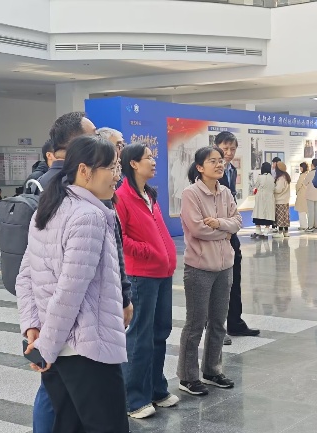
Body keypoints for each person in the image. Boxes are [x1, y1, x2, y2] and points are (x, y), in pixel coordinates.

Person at [16, 135, 129, 433]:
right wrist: (46, 348)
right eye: (112, 168)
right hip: (87, 350)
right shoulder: (88, 216)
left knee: (68, 426)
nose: (116, 176)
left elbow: (25, 276)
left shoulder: (48, 207)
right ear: (84, 170)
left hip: (57, 346)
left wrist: (33, 329)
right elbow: (69, 293)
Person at [115, 144, 178, 419]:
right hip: (141, 275)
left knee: (160, 332)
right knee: (140, 336)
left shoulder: (149, 194)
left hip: (163, 273)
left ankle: (156, 388)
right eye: (148, 158)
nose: (153, 161)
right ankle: (133, 398)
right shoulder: (122, 197)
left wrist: (166, 255)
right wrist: (148, 251)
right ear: (133, 163)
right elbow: (119, 238)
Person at [177, 146, 242, 396]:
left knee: (218, 322)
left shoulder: (225, 192)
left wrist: (220, 224)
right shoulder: (191, 194)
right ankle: (188, 377)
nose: (219, 164)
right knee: (195, 324)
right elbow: (197, 229)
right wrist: (224, 232)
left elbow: (237, 222)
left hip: (225, 266)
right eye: (212, 161)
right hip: (199, 267)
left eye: (220, 160)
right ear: (200, 167)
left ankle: (212, 371)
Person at [216, 132, 260, 342]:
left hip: (231, 232)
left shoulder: (231, 170)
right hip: (216, 233)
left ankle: (235, 322)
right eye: (225, 148)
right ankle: (216, 328)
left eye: (232, 149)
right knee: (217, 284)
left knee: (234, 278)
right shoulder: (208, 171)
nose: (229, 153)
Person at [34, 112, 97, 192]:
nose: (100, 142)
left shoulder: (38, 182)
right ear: (78, 142)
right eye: (95, 136)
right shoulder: (82, 183)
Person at [252, 162, 275, 237]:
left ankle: (258, 230)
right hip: (270, 197)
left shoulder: (260, 177)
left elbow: (256, 186)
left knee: (258, 213)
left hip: (261, 197)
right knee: (268, 214)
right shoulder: (272, 178)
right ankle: (266, 231)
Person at [273, 161, 291, 238]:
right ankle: (286, 231)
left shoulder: (281, 178)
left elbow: (278, 189)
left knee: (280, 216)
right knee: (285, 216)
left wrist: (272, 188)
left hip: (279, 200)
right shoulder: (286, 177)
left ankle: (280, 232)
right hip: (286, 200)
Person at [303, 159, 317, 233]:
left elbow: (305, 183)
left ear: (313, 165)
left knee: (311, 212)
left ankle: (310, 227)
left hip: (310, 195)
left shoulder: (310, 173)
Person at [295, 162, 309, 230]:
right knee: (307, 211)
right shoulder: (308, 174)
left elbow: (298, 185)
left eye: (300, 167)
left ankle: (303, 225)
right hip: (308, 194)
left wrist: (296, 191)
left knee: (301, 211)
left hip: (301, 194)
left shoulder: (302, 176)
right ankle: (308, 225)